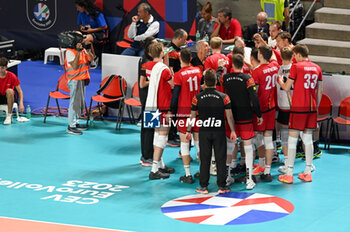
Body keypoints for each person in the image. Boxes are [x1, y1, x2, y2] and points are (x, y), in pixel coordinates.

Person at [186, 69, 236, 194]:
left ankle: (203, 186)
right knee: (220, 158)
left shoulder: (197, 98)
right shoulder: (224, 97)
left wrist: (188, 131)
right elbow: (229, 116)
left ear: (204, 82)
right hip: (219, 131)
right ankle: (222, 186)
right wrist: (233, 131)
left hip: (204, 132)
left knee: (205, 158)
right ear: (216, 81)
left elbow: (192, 116)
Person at [278, 44, 323, 184]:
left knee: (292, 139)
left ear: (297, 54)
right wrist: (316, 107)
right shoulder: (317, 68)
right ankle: (308, 172)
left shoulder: (296, 67)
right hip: (311, 108)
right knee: (308, 139)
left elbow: (286, 87)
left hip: (298, 108)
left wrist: (280, 81)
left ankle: (289, 173)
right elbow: (320, 91)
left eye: (294, 56)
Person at [223, 54, 262, 190]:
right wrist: (258, 114)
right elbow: (254, 97)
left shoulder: (225, 78)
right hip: (245, 116)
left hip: (230, 117)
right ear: (243, 65)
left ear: (232, 64)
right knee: (248, 146)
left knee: (229, 146)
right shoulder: (248, 78)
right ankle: (249, 179)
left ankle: (227, 177)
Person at [171, 48, 202, 184]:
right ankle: (202, 171)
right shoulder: (197, 71)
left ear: (179, 58)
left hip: (184, 114)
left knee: (184, 144)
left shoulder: (178, 75)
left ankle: (188, 174)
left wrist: (172, 111)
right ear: (190, 58)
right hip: (198, 112)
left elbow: (175, 96)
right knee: (199, 144)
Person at [145, 42, 175, 180]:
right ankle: (154, 169)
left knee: (157, 136)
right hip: (163, 106)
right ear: (162, 53)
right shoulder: (165, 70)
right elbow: (173, 84)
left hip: (152, 104)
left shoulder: (149, 66)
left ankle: (160, 165)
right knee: (162, 137)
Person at [251, 45, 279, 181]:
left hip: (260, 110)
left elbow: (254, 94)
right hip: (271, 108)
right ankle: (266, 170)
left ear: (260, 55)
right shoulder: (275, 66)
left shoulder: (257, 72)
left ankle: (262, 163)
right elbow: (273, 56)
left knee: (258, 138)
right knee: (268, 139)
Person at [65, 33, 94, 135]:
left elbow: (91, 59)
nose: (82, 39)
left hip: (81, 80)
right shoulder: (69, 52)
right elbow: (74, 65)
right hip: (74, 81)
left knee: (79, 103)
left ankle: (76, 123)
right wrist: (77, 52)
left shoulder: (82, 49)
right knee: (73, 103)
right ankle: (70, 126)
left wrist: (89, 49)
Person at [167, 29, 188, 147]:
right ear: (179, 38)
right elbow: (170, 69)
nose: (185, 41)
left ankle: (173, 134)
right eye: (184, 39)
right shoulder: (171, 51)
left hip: (178, 84)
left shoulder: (177, 50)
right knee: (172, 111)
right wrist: (175, 83)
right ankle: (170, 136)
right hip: (174, 86)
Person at [139, 37, 158, 166]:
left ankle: (148, 154)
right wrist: (156, 79)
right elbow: (142, 83)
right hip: (148, 98)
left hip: (152, 98)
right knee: (148, 128)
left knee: (150, 128)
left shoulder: (150, 60)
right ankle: (146, 156)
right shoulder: (146, 62)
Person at [276, 46, 293, 174]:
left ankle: (287, 162)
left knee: (285, 137)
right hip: (294, 106)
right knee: (299, 135)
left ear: (281, 57)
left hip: (282, 106)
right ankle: (308, 164)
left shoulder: (279, 70)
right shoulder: (295, 69)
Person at [75, 0, 107, 68]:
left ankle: (93, 58)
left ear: (83, 6)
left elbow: (104, 27)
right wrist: (81, 28)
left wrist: (92, 30)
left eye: (78, 7)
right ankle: (82, 59)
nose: (77, 9)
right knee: (76, 35)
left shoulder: (97, 13)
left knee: (86, 39)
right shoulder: (81, 14)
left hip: (98, 32)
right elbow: (80, 24)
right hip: (87, 32)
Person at [0, 57, 24, 125]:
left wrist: (21, 103)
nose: (0, 70)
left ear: (6, 67)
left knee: (10, 91)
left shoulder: (12, 76)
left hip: (8, 98)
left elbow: (20, 91)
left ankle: (9, 116)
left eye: (2, 68)